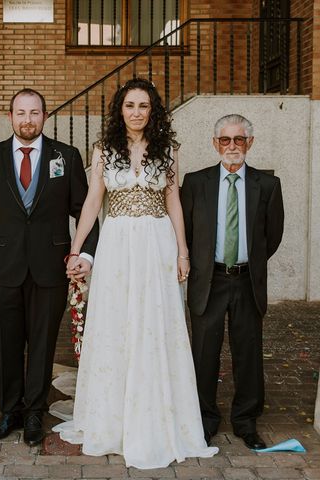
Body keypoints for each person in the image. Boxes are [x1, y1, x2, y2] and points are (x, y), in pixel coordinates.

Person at [55, 78, 218, 469]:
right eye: (130, 105)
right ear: (120, 109)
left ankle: (156, 417)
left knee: (155, 323)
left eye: (144, 106)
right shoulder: (103, 149)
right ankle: (112, 418)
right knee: (116, 323)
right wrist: (76, 249)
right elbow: (94, 201)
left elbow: (173, 200)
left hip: (157, 240)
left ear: (153, 110)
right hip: (116, 242)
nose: (136, 112)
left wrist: (182, 251)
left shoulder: (169, 150)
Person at [0, 88, 99, 446]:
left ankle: (35, 414)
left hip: (50, 270)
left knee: (42, 345)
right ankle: (9, 411)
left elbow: (85, 214)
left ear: (45, 116)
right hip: (4, 269)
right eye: (21, 113)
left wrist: (84, 255)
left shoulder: (67, 157)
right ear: (10, 117)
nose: (28, 119)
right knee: (7, 345)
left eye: (35, 112)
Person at [180, 114, 284, 450]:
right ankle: (205, 418)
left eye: (239, 140)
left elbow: (273, 235)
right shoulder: (195, 183)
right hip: (208, 279)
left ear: (249, 143)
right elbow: (188, 233)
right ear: (215, 144)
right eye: (225, 140)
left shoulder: (267, 185)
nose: (232, 147)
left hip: (245, 281)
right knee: (204, 352)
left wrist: (247, 264)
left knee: (248, 352)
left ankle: (245, 420)